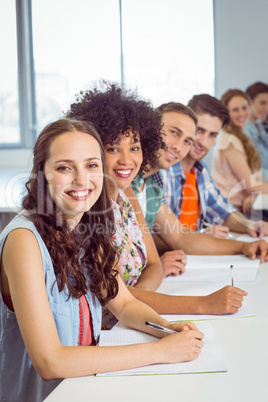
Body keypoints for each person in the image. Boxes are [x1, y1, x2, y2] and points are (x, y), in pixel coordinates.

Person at [0, 118, 205, 402]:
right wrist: (161, 352)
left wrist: (166, 330)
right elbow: (50, 362)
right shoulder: (24, 240)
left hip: (88, 387)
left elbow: (123, 303)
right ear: (42, 173)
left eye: (92, 165)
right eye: (64, 167)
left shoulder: (87, 228)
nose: (82, 180)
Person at [67, 82, 251, 326]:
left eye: (134, 147)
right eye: (112, 148)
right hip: (104, 332)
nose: (126, 159)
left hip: (130, 320)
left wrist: (134, 302)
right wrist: (203, 303)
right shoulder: (87, 207)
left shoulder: (128, 194)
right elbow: (119, 295)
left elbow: (154, 266)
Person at [161, 96, 268, 239]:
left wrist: (249, 225)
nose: (204, 142)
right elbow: (151, 234)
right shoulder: (162, 172)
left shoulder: (201, 171)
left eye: (212, 135)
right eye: (199, 130)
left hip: (197, 256)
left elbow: (223, 212)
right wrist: (200, 235)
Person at [212, 89, 268, 217]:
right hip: (231, 211)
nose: (242, 113)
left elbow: (255, 179)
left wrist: (253, 193)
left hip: (243, 207)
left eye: (244, 107)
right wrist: (253, 191)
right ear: (226, 113)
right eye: (235, 110)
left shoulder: (240, 136)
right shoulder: (229, 141)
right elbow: (251, 186)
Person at [244, 81, 268, 181]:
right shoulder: (244, 131)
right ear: (249, 102)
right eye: (263, 103)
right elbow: (252, 169)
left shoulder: (260, 126)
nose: (266, 108)